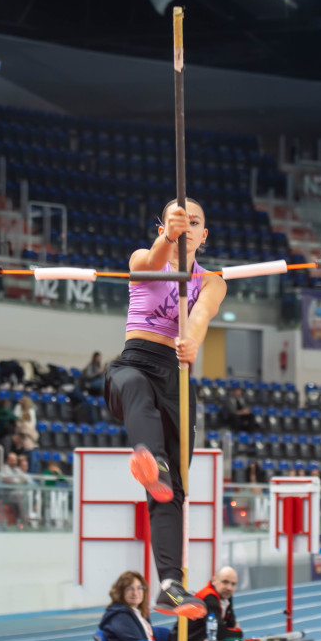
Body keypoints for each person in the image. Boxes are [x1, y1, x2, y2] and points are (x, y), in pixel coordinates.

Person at [104, 198, 226, 618]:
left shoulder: (214, 281)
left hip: (176, 380)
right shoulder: (145, 255)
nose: (188, 227)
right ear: (164, 226)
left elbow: (201, 317)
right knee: (135, 387)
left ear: (204, 234)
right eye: (180, 221)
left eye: (196, 222)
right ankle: (149, 459)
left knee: (174, 491)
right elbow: (152, 261)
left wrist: (191, 339)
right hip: (133, 364)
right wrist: (166, 240)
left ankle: (170, 586)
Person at [98, 571, 158, 641]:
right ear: (121, 592)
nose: (136, 593)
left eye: (139, 588)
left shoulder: (138, 613)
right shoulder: (120, 617)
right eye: (130, 589)